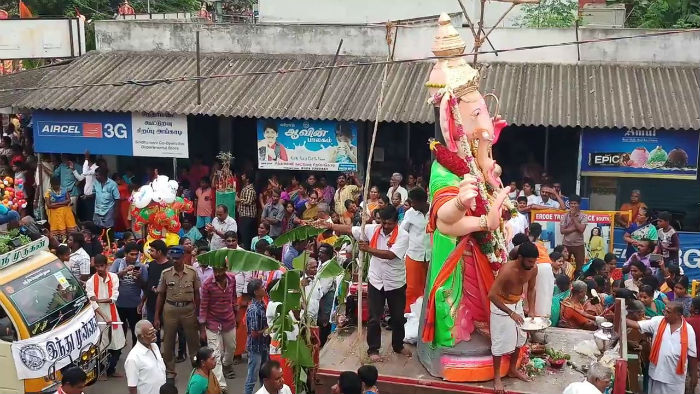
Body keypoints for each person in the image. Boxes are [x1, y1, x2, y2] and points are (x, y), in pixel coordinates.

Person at [319, 205, 411, 362]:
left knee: (397, 317)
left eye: (389, 223)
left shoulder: (403, 235)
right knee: (374, 317)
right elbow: (350, 229)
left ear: (396, 221)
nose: (386, 227)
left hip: (395, 282)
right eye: (383, 223)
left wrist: (367, 249)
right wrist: (331, 225)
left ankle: (398, 345)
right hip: (376, 280)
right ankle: (373, 349)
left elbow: (390, 255)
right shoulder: (373, 229)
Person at [488, 241, 539, 393]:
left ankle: (512, 370)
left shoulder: (533, 268)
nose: (532, 264)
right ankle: (497, 377)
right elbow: (491, 295)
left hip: (517, 303)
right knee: (499, 342)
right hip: (501, 306)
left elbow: (531, 289)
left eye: (534, 261)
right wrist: (511, 313)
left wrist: (532, 309)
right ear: (520, 257)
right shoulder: (507, 270)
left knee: (520, 338)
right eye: (530, 261)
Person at [626, 301, 698, 394]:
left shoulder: (688, 330)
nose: (665, 314)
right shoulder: (658, 321)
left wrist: (694, 376)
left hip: (675, 379)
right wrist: (621, 316)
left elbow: (692, 355)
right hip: (656, 374)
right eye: (665, 310)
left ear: (678, 314)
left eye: (669, 312)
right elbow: (636, 324)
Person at [154, 246, 202, 375]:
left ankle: (196, 365)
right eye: (173, 258)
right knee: (168, 341)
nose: (175, 261)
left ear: (183, 257)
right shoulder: (166, 273)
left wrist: (198, 314)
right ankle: (170, 370)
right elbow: (160, 295)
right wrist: (156, 316)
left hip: (188, 309)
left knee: (193, 341)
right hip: (170, 309)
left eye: (178, 258)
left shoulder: (192, 272)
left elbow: (197, 294)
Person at [86, 254, 127, 378]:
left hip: (113, 315)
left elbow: (113, 298)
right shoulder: (91, 281)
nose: (99, 269)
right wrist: (104, 317)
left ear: (107, 265)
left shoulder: (113, 277)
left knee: (118, 344)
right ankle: (102, 370)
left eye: (102, 266)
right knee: (101, 346)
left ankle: (110, 370)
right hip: (99, 318)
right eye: (97, 266)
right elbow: (93, 304)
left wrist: (98, 299)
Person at [199, 260, 238, 390]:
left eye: (220, 270)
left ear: (226, 269)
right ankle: (221, 386)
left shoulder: (232, 278)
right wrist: (202, 329)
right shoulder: (207, 284)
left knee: (232, 347)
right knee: (215, 353)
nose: (217, 273)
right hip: (212, 321)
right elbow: (203, 306)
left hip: (229, 319)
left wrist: (236, 313)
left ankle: (227, 364)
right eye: (215, 270)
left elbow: (234, 298)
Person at [111, 242, 147, 346]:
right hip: (119, 304)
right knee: (119, 330)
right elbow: (111, 279)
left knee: (136, 332)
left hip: (135, 304)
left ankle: (135, 353)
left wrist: (139, 277)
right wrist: (124, 272)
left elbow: (145, 286)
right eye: (132, 254)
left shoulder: (142, 267)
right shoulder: (118, 263)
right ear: (125, 254)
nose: (135, 257)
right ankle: (119, 349)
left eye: (136, 254)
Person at [400, 187, 429, 312]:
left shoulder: (435, 210)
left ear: (422, 201)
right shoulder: (409, 213)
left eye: (413, 202)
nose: (411, 205)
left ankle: (427, 315)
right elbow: (402, 232)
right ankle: (409, 315)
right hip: (413, 254)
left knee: (429, 287)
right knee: (412, 288)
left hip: (432, 255)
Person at [125, 320, 167, 394]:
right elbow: (132, 387)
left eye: (154, 332)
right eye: (150, 334)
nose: (154, 335)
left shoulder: (155, 346)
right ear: (140, 337)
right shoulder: (133, 358)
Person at [245, 279, 270, 394]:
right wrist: (267, 330)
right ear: (256, 292)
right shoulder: (254, 309)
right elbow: (254, 333)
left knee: (263, 375)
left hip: (263, 345)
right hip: (256, 348)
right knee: (252, 376)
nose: (264, 288)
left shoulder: (262, 304)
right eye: (262, 287)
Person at [45, 175, 78, 240]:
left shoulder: (64, 190)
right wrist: (63, 204)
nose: (57, 187)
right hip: (55, 215)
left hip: (66, 213)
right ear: (51, 185)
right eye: (55, 185)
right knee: (58, 230)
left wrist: (56, 204)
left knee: (68, 228)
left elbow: (68, 200)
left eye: (58, 185)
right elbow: (49, 205)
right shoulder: (48, 192)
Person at [560, 195, 587, 270]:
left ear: (579, 204)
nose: (573, 205)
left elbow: (581, 230)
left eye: (575, 203)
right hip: (566, 244)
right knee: (564, 265)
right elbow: (562, 231)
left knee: (580, 266)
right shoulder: (565, 216)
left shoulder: (583, 216)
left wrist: (573, 217)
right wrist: (575, 228)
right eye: (571, 203)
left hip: (579, 245)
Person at [93, 167, 120, 232]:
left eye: (97, 175)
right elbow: (94, 193)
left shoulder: (113, 184)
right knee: (97, 229)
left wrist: (116, 212)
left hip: (108, 211)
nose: (96, 177)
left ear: (103, 175)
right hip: (98, 210)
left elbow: (117, 199)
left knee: (108, 230)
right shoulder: (95, 183)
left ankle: (109, 241)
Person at [237, 170, 257, 249]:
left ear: (248, 179)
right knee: (244, 236)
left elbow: (248, 201)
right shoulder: (245, 188)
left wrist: (238, 199)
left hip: (248, 217)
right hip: (244, 216)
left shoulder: (249, 189)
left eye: (244, 175)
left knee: (246, 237)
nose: (242, 176)